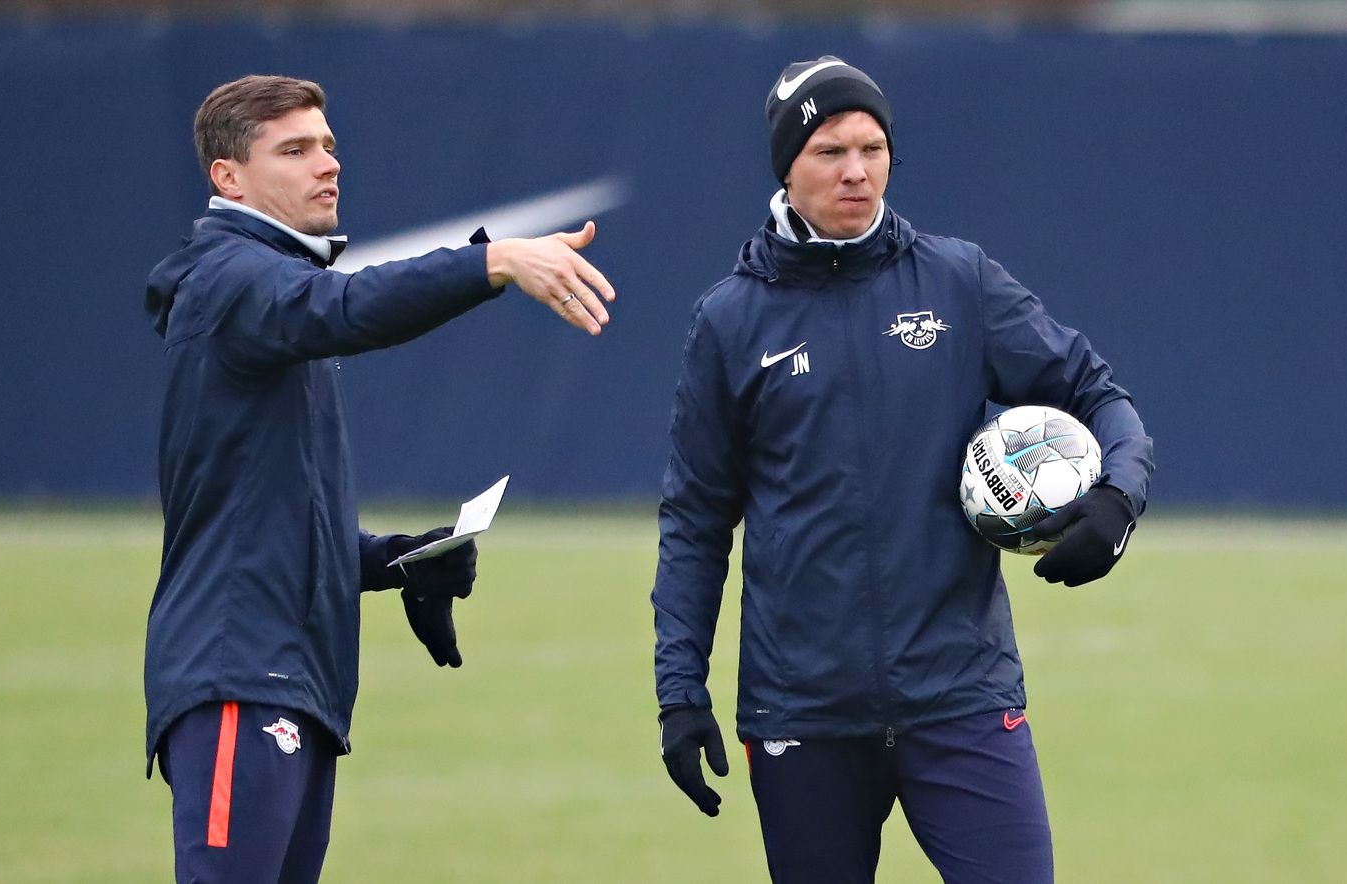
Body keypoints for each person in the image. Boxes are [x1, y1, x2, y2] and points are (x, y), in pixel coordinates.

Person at [651, 56, 1154, 883]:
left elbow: (1100, 394)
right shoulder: (730, 321)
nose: (857, 171)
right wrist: (680, 692)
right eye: (829, 151)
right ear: (786, 165)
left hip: (961, 696)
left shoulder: (958, 282)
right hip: (803, 711)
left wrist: (1115, 501)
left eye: (873, 146)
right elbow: (697, 522)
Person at [143, 74, 615, 883]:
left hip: (294, 683)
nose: (326, 163)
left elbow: (273, 520)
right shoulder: (233, 276)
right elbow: (346, 307)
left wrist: (396, 559)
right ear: (229, 178)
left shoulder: (268, 290)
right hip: (239, 679)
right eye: (293, 150)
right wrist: (491, 260)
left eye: (327, 145)